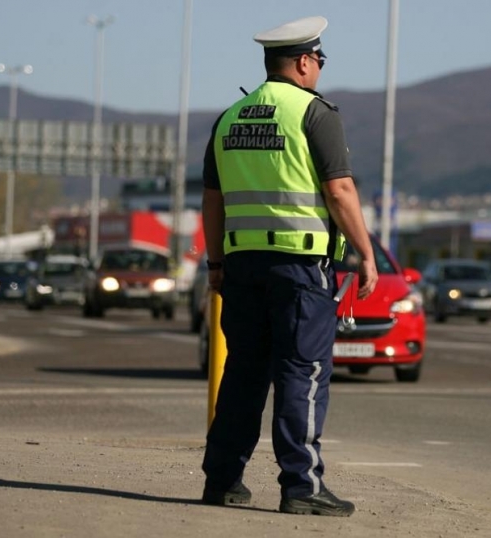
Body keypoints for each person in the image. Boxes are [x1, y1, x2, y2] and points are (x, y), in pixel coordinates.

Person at [199, 15, 378, 517]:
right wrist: (365, 253)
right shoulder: (315, 114)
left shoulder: (230, 117)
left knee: (243, 374)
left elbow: (211, 201)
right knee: (303, 372)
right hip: (300, 269)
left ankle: (223, 480)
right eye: (319, 59)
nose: (319, 67)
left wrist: (216, 264)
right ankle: (302, 485)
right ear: (304, 62)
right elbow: (339, 191)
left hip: (242, 265)